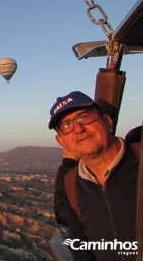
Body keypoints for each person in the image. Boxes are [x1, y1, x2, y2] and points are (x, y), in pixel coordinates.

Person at [48, 91, 139, 261]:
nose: (79, 128)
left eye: (84, 117)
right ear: (62, 142)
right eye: (66, 126)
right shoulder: (71, 184)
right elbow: (83, 248)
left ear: (108, 122)